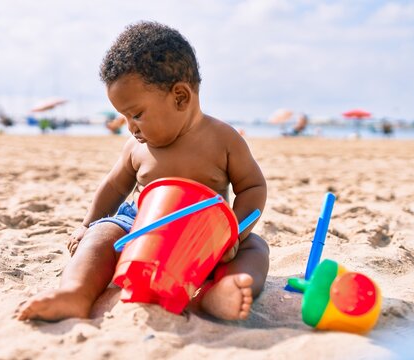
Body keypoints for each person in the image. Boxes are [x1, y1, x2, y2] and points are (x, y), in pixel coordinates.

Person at [16, 21, 269, 322]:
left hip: (202, 236)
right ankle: (75, 292)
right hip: (137, 228)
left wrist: (235, 231)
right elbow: (113, 186)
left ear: (180, 98)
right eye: (123, 116)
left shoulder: (223, 140)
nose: (130, 126)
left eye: (136, 114)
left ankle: (221, 292)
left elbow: (252, 187)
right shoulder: (136, 148)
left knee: (255, 248)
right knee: (101, 235)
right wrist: (88, 224)